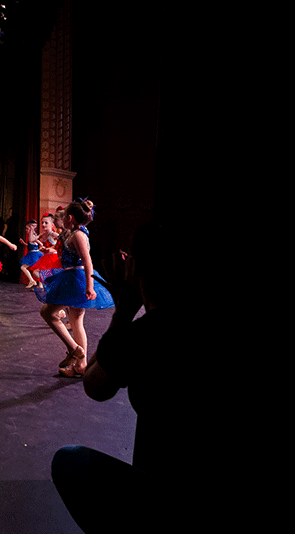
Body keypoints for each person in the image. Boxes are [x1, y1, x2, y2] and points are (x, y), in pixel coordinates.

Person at [51, 220, 202, 533]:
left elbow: (94, 386)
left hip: (169, 495)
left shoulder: (145, 334)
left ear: (137, 268)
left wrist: (122, 313)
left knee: (68, 460)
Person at [36, 199, 114, 375]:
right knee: (76, 321)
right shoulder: (75, 232)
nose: (62, 219)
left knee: (47, 312)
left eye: (63, 216)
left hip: (75, 278)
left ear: (69, 218)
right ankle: (81, 365)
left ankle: (74, 349)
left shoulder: (78, 235)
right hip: (73, 276)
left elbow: (87, 261)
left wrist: (90, 286)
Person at [19, 219, 43, 289]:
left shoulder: (32, 235)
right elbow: (32, 244)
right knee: (37, 270)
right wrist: (24, 243)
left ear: (31, 228)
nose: (26, 230)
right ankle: (40, 285)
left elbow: (38, 243)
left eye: (27, 228)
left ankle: (32, 281)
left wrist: (38, 248)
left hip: (34, 255)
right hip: (35, 253)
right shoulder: (33, 235)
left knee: (23, 267)